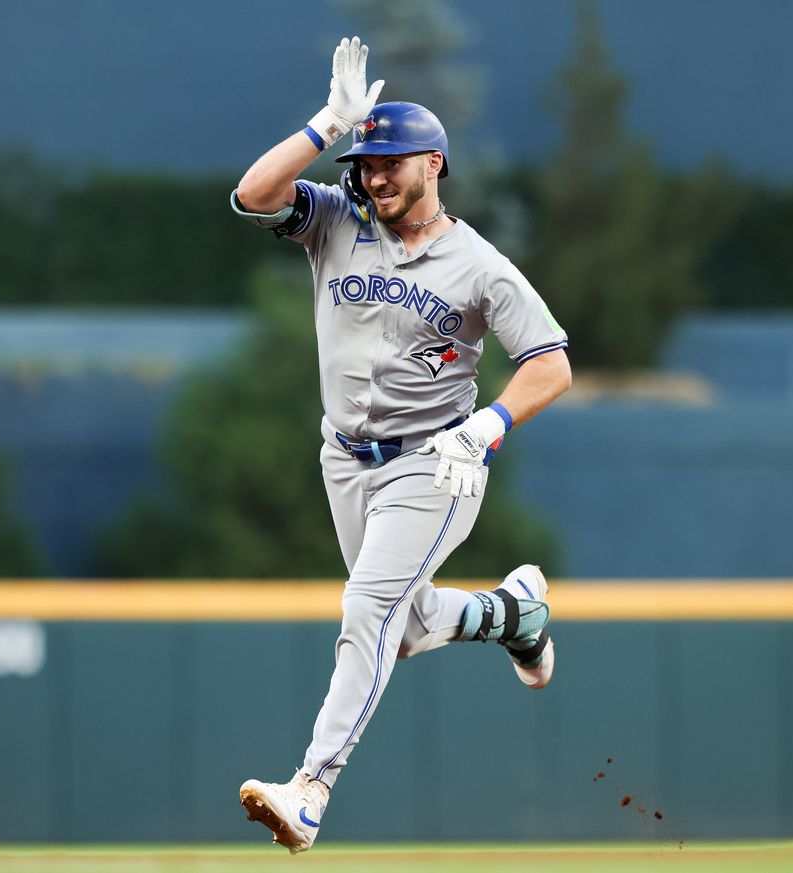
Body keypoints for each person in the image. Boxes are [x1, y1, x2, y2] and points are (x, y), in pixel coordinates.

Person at [229, 36, 572, 854]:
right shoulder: (337, 220)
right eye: (367, 159)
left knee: (366, 611)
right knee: (405, 626)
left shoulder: (478, 263)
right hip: (345, 455)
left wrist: (487, 427)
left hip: (437, 459)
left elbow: (550, 363)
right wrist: (326, 124)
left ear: (434, 164)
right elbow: (251, 195)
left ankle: (311, 787)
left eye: (392, 161)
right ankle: (511, 613)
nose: (375, 174)